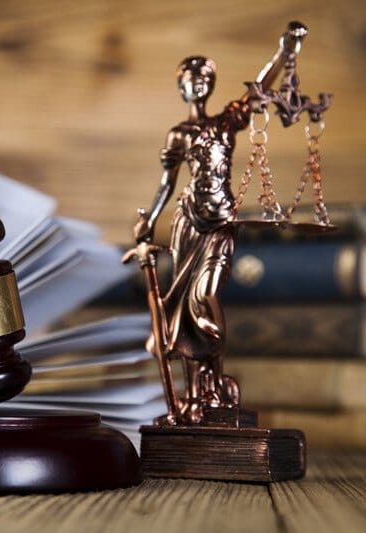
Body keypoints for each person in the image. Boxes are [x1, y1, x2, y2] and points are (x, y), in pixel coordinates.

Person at [134, 24, 306, 424]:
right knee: (185, 310)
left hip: (221, 225)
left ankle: (216, 377)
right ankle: (197, 395)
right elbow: (167, 184)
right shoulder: (178, 135)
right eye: (190, 80)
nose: (197, 84)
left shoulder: (226, 124)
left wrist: (284, 52)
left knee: (207, 297)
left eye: (204, 78)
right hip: (188, 225)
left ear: (211, 85)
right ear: (182, 88)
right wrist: (148, 220)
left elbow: (258, 90)